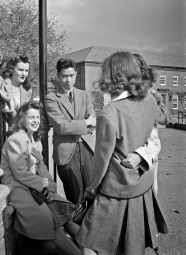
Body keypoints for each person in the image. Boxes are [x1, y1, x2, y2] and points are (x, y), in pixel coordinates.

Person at [76, 52, 168, 255]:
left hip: (114, 190)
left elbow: (101, 161)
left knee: (87, 242)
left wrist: (91, 190)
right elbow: (158, 127)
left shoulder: (109, 113)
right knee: (132, 245)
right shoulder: (149, 102)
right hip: (141, 185)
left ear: (112, 76)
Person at [0, 101, 82, 255]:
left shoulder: (35, 141)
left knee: (64, 211)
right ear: (22, 119)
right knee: (50, 221)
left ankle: (92, 249)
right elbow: (20, 173)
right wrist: (43, 185)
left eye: (37, 117)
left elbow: (41, 167)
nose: (35, 121)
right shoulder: (15, 140)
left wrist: (50, 184)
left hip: (33, 187)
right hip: (17, 188)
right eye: (31, 117)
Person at [45, 58, 97, 205]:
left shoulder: (84, 95)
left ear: (76, 74)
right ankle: (77, 227)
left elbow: (94, 123)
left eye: (72, 75)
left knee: (93, 191)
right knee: (75, 196)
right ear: (58, 76)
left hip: (87, 148)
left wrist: (75, 125)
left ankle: (92, 227)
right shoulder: (51, 98)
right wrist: (85, 123)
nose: (69, 80)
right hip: (67, 152)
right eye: (64, 76)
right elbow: (61, 126)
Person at [122, 53, 171, 194]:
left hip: (147, 150)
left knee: (149, 190)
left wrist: (156, 98)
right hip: (130, 151)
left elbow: (165, 118)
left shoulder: (149, 95)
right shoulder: (130, 94)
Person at [0, 56, 33, 126]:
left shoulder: (27, 90)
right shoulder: (0, 82)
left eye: (26, 71)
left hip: (17, 130)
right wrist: (8, 100)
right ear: (11, 70)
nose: (24, 74)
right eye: (20, 70)